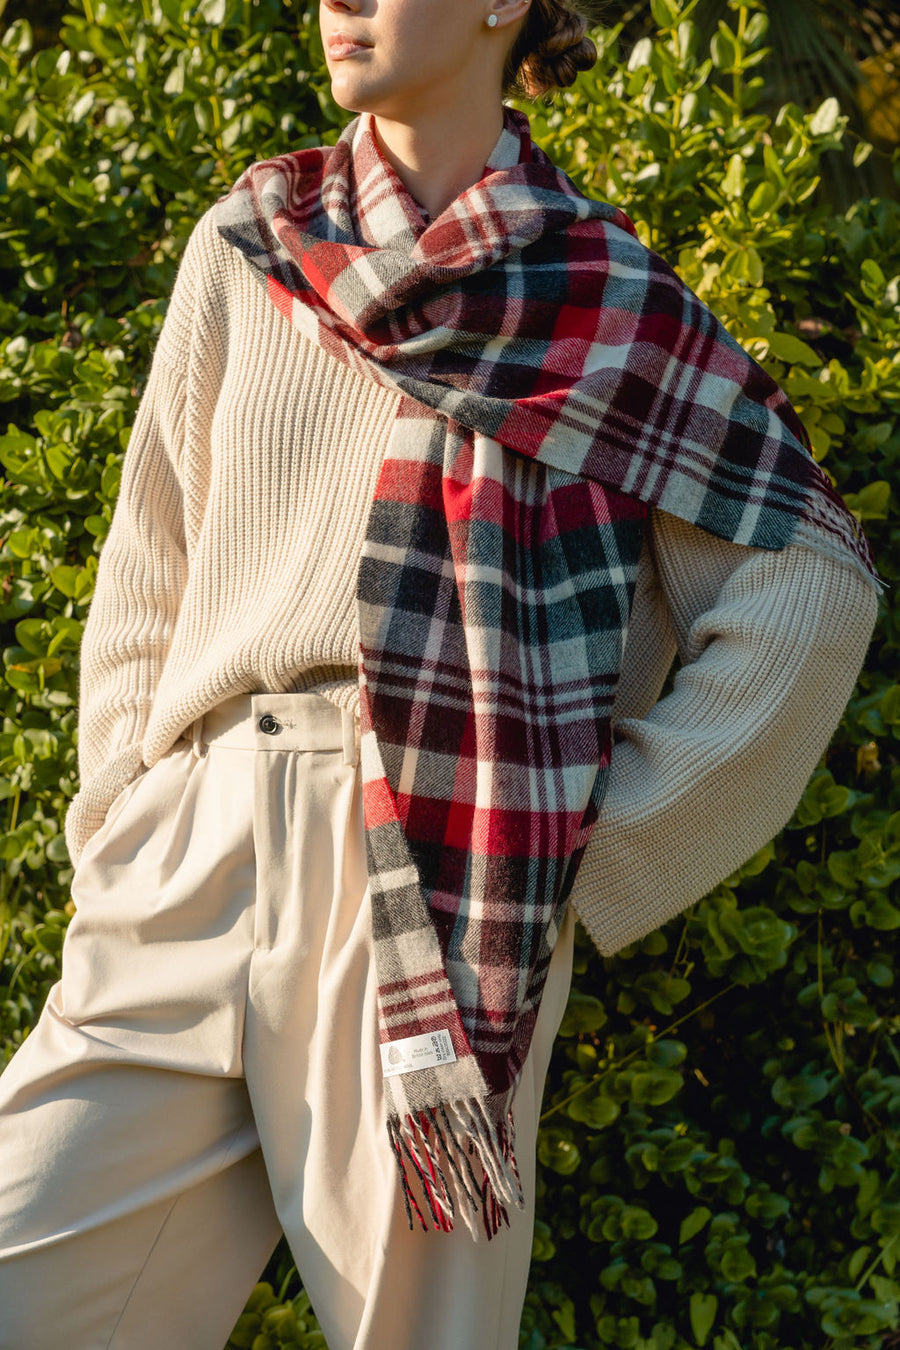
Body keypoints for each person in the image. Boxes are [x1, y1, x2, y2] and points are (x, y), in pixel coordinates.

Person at [0, 1, 880, 1347]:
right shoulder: (252, 243)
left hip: (435, 867)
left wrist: (591, 842)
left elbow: (811, 577)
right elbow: (149, 566)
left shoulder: (602, 294)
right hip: (190, 849)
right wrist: (121, 823)